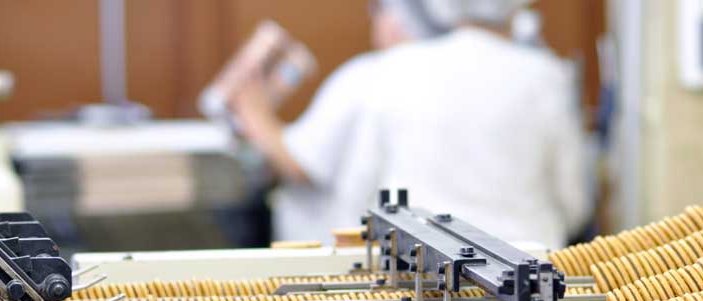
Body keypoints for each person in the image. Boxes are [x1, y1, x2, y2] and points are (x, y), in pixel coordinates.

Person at [230, 0, 590, 250]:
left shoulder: (394, 70)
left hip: (418, 274)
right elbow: (575, 202)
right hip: (528, 268)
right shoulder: (546, 76)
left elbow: (358, 192)